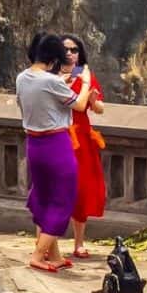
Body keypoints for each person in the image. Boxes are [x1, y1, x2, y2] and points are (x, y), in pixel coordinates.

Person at [16, 33, 93, 272]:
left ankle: (54, 254)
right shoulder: (52, 81)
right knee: (62, 198)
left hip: (34, 143)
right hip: (56, 143)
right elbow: (80, 105)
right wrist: (87, 83)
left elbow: (41, 98)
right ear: (53, 59)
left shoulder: (22, 77)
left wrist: (63, 85)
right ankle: (39, 255)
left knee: (44, 195)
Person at [59, 34, 106, 258]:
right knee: (57, 189)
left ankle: (79, 242)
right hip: (59, 135)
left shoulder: (85, 75)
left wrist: (95, 100)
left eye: (74, 49)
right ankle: (50, 242)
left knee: (82, 188)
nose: (70, 53)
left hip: (82, 138)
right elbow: (76, 106)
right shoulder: (52, 76)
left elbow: (98, 108)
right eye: (65, 49)